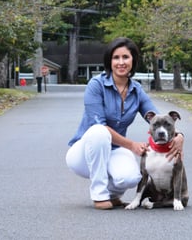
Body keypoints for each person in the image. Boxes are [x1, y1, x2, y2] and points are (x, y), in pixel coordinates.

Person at [65, 37, 185, 210]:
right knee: (99, 131)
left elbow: (159, 119)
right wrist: (131, 145)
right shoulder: (96, 85)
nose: (121, 62)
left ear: (133, 60)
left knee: (131, 177)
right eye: (116, 58)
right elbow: (98, 124)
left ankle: (113, 195)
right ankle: (99, 195)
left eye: (125, 57)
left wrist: (179, 136)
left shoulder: (136, 90)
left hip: (113, 150)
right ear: (109, 61)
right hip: (84, 152)